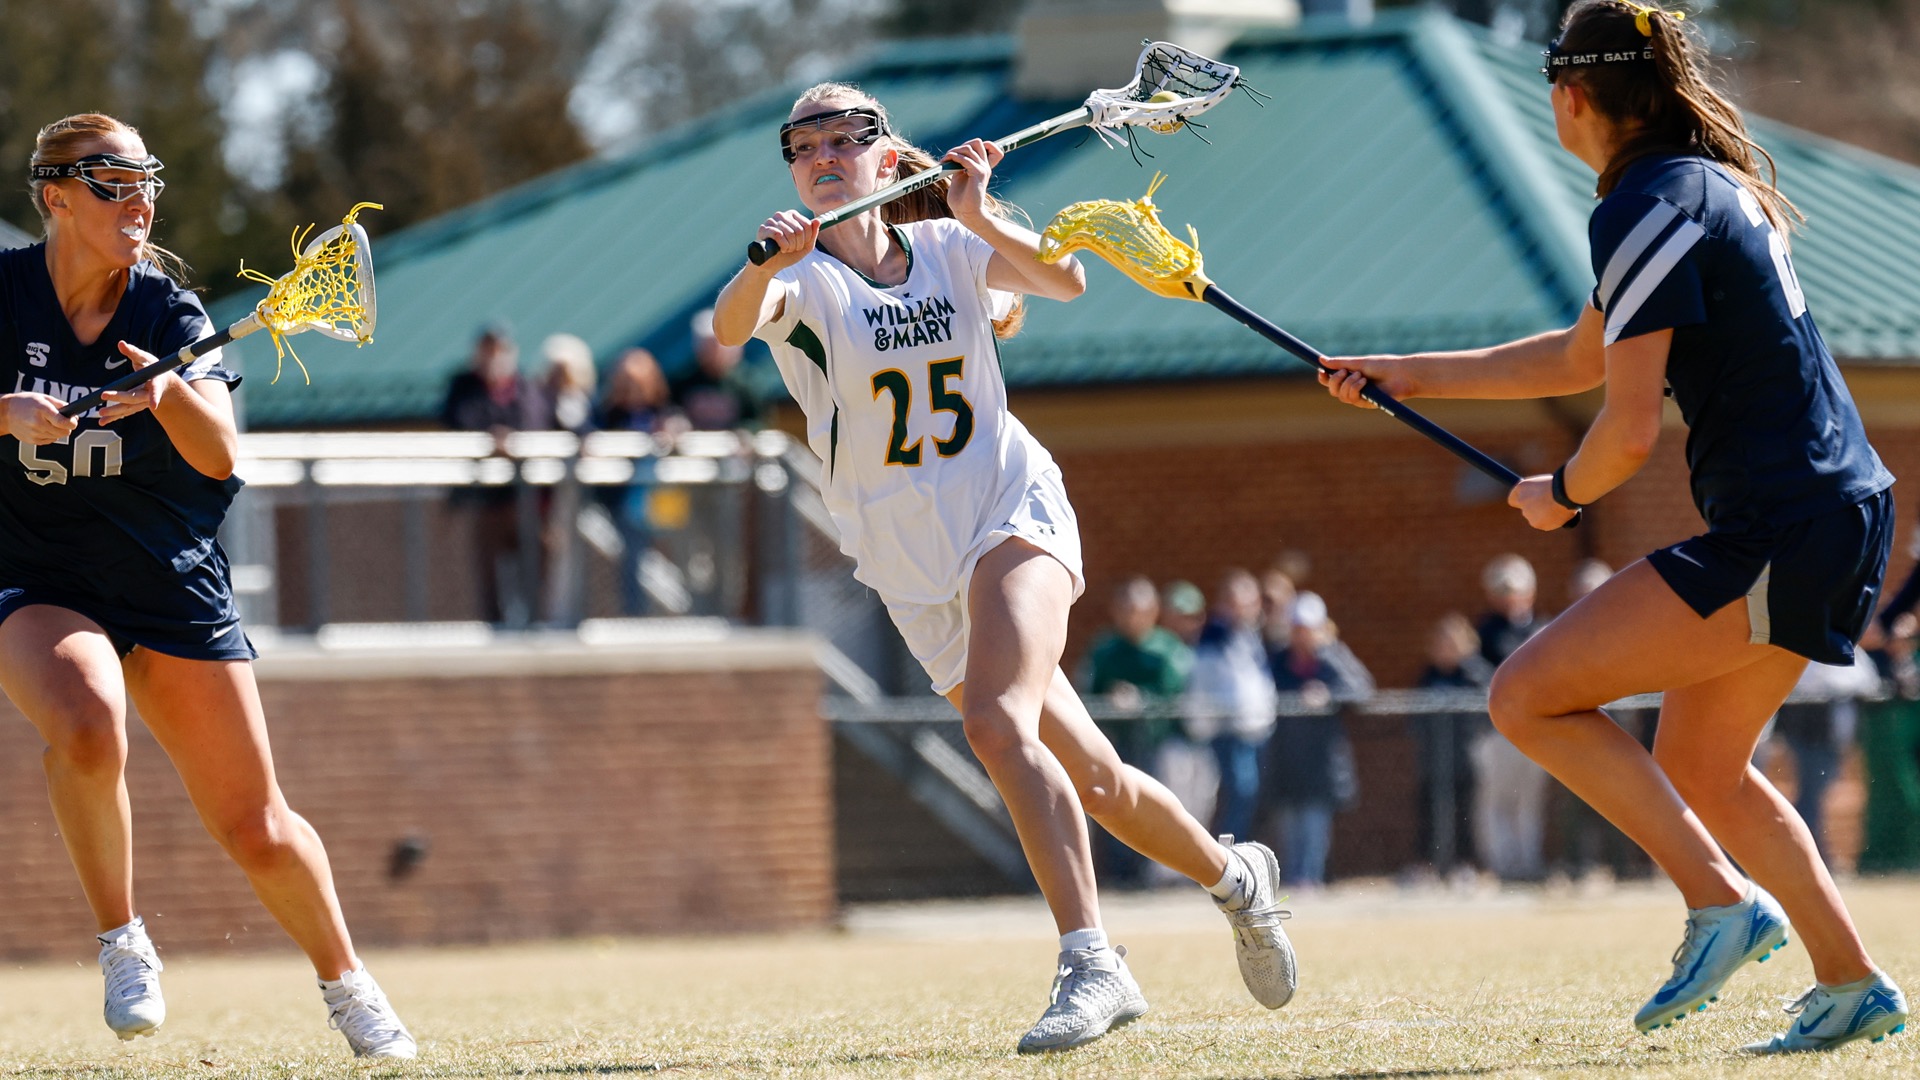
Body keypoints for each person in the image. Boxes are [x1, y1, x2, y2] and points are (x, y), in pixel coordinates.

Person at [1320, 0, 1908, 1051]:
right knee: (1704, 765)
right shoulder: (1694, 187)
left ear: (1570, 96)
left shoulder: (1642, 203)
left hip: (1786, 519)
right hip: (1830, 509)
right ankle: (1851, 981)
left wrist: (1565, 493)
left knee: (1526, 696)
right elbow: (1578, 358)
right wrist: (1406, 374)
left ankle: (1721, 905)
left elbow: (1627, 430)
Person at [713, 84, 1296, 1054]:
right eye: (799, 145)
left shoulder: (949, 247)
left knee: (993, 722)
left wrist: (978, 211)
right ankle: (1240, 880)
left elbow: (1062, 282)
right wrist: (766, 262)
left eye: (843, 139)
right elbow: (734, 326)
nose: (821, 156)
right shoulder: (804, 282)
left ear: (886, 158)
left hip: (1010, 515)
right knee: (1099, 782)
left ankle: (1092, 962)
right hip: (910, 568)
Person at [0, 113, 413, 1056]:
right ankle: (123, 940)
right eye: (111, 181)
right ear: (55, 195)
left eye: (147, 178)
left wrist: (168, 393)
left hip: (168, 576)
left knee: (257, 825)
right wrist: (6, 412)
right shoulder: (2, 293)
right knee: (86, 723)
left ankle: (348, 985)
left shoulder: (172, 314)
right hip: (37, 572)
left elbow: (222, 453)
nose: (138, 198)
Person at [1079, 576, 1192, 887]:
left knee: (1155, 808)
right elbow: (1088, 692)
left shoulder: (1166, 648)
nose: (1132, 616)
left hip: (1158, 743)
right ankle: (1121, 875)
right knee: (1112, 805)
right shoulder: (1105, 650)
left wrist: (1139, 700)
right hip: (1114, 744)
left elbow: (1174, 694)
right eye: (1126, 608)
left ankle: (1154, 874)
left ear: (1153, 611)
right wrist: (1111, 701)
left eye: (1138, 609)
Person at [442, 322, 549, 625]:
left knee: (536, 558)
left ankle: (536, 622)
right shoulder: (464, 387)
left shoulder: (525, 387)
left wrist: (512, 439)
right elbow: (461, 421)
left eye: (499, 349)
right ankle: (495, 625)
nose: (493, 356)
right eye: (487, 350)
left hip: (527, 496)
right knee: (489, 566)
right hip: (484, 497)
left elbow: (536, 423)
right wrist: (493, 436)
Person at [1261, 592, 1371, 887]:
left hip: (1322, 762)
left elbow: (1362, 690)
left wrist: (1328, 695)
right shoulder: (1278, 661)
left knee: (1313, 825)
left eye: (1307, 629)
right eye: (1297, 629)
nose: (1302, 636)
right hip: (1284, 758)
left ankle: (1309, 880)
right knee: (1288, 824)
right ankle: (1290, 880)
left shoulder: (1333, 658)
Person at [1470, 554, 1553, 881]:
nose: (1509, 598)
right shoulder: (1485, 632)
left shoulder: (1545, 628)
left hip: (1536, 729)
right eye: (1502, 591)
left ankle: (1528, 863)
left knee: (1529, 800)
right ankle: (1501, 865)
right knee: (1496, 799)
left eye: (1515, 590)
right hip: (1498, 731)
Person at [1182, 569, 1277, 848]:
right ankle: (1228, 854)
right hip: (1226, 730)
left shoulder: (1252, 636)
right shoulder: (1213, 638)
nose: (1244, 608)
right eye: (1236, 601)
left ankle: (1242, 851)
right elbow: (1203, 685)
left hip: (1255, 729)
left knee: (1252, 794)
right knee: (1239, 791)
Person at [598, 347, 684, 616]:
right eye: (625, 381)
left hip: (662, 499)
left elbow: (681, 427)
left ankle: (683, 618)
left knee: (674, 558)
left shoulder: (662, 410)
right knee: (632, 561)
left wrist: (674, 432)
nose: (631, 387)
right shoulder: (608, 414)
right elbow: (592, 437)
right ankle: (634, 616)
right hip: (624, 501)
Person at [1413, 612, 1493, 877]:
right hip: (1434, 759)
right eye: (1441, 642)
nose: (1446, 648)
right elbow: (1414, 716)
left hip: (1465, 756)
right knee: (1430, 814)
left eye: (1452, 642)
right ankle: (1429, 866)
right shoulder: (1428, 676)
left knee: (1464, 815)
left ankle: (1465, 866)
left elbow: (1488, 707)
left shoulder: (1474, 673)